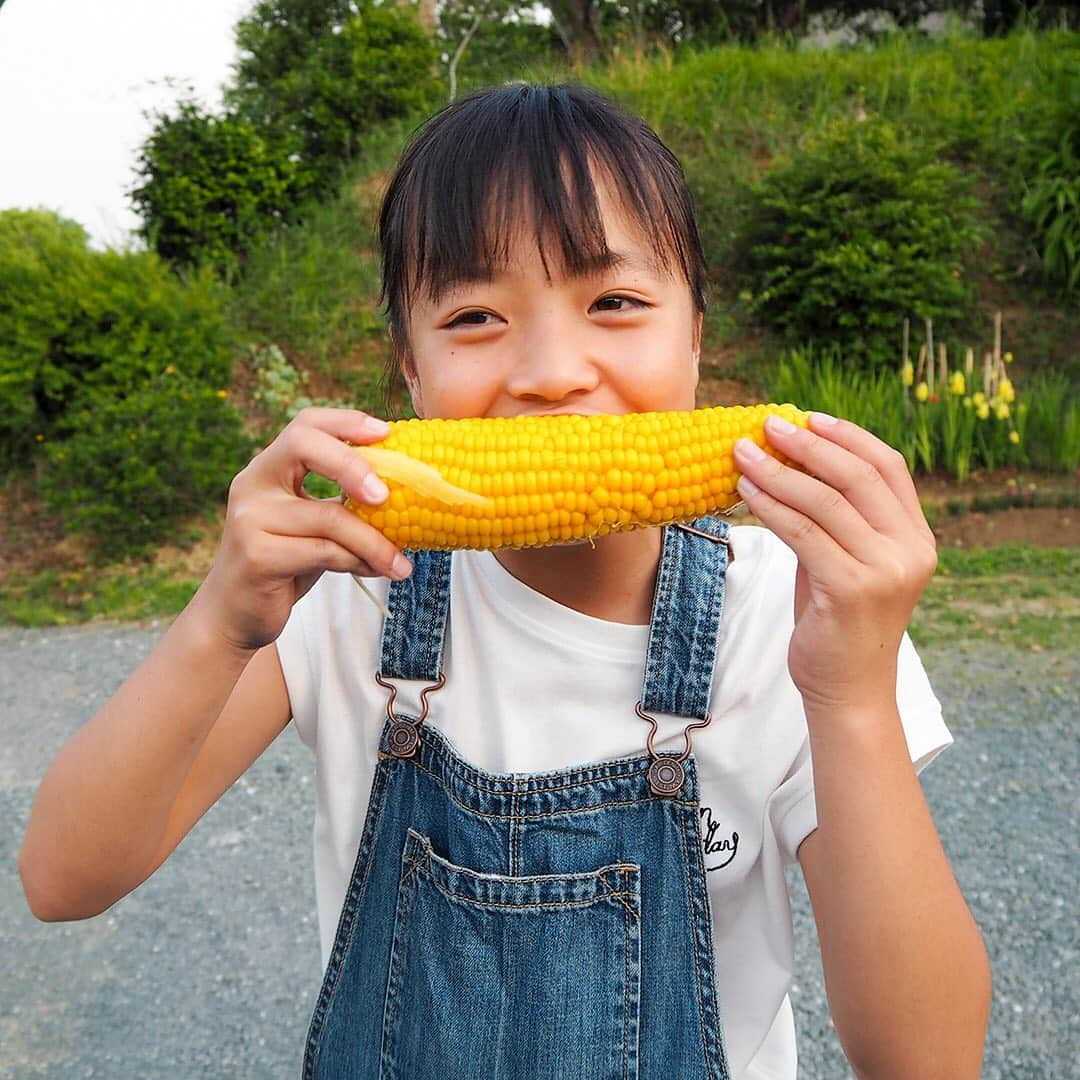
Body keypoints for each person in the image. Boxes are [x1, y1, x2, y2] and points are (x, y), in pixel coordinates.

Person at [19, 82, 990, 1078]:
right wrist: (219, 621)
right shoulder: (354, 593)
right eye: (477, 315)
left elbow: (926, 1061)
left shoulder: (791, 620)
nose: (550, 372)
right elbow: (63, 878)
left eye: (613, 302)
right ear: (410, 369)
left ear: (697, 337)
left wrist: (854, 691)